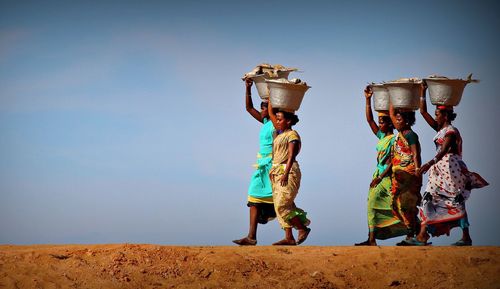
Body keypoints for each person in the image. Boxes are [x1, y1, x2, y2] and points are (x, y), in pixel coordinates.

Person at [411, 83, 489, 246]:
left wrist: (429, 163)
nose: (435, 116)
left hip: (451, 169)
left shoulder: (451, 131)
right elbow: (423, 112)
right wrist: (422, 92)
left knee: (455, 199)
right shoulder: (440, 129)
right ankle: (422, 235)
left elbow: (444, 150)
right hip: (439, 170)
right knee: (428, 198)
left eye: (437, 114)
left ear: (445, 116)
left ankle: (466, 236)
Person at [355, 87, 408, 246]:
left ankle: (417, 231)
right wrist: (367, 99)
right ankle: (371, 239)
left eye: (382, 122)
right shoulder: (382, 136)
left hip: (386, 177)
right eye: (380, 122)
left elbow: (392, 161)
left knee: (397, 206)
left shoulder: (394, 139)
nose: (379, 124)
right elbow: (369, 120)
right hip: (378, 176)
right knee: (371, 204)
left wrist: (380, 177)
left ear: (389, 123)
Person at [233, 79, 276, 246]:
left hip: (273, 164)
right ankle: (251, 236)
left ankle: (297, 228)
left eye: (264, 107)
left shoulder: (275, 123)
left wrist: (272, 93)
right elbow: (248, 108)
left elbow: (271, 110)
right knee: (254, 197)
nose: (261, 110)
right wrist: (248, 88)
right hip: (261, 165)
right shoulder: (265, 123)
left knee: (280, 200)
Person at [267, 101, 311, 246]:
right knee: (283, 205)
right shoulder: (279, 134)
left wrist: (285, 173)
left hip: (288, 171)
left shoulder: (292, 134)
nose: (277, 121)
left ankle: (302, 228)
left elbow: (291, 156)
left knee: (282, 204)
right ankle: (289, 237)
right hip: (276, 172)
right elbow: (271, 114)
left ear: (289, 121)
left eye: (280, 119)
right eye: (277, 119)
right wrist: (270, 96)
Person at [389, 101, 423, 246]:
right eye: (396, 119)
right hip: (398, 176)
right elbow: (391, 114)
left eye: (399, 119)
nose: (396, 121)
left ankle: (412, 234)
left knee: (406, 204)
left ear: (407, 120)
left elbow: (416, 155)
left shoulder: (411, 135)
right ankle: (418, 229)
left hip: (409, 175)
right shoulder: (400, 133)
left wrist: (417, 171)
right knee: (394, 204)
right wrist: (391, 95)